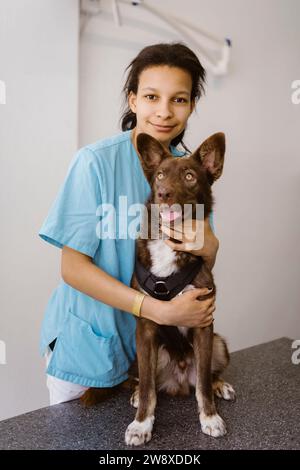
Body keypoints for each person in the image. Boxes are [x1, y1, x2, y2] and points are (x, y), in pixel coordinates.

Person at [39, 42, 219, 406]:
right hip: (91, 351)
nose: (165, 111)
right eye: (152, 96)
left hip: (156, 358)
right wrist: (155, 309)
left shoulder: (190, 174)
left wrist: (211, 248)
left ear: (192, 106)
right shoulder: (94, 163)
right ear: (133, 99)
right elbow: (73, 269)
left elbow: (194, 269)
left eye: (179, 99)